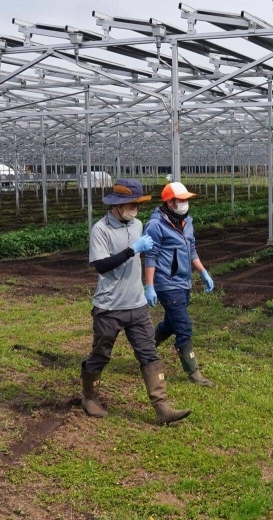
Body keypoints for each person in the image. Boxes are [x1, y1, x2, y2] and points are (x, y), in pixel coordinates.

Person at [80, 178, 191, 425]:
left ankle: (162, 407)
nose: (135, 210)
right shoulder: (101, 229)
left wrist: (149, 286)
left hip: (137, 305)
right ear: (117, 205)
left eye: (138, 205)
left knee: (149, 353)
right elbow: (100, 266)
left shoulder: (138, 224)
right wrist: (132, 249)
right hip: (109, 306)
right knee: (101, 353)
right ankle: (89, 397)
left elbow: (149, 254)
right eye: (131, 205)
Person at [143, 181, 215, 387]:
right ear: (170, 202)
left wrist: (203, 272)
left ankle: (145, 349)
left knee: (170, 323)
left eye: (186, 200)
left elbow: (191, 250)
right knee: (183, 327)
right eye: (181, 200)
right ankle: (194, 373)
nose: (185, 203)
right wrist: (150, 285)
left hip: (184, 282)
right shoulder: (156, 225)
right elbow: (150, 256)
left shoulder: (186, 222)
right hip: (167, 283)